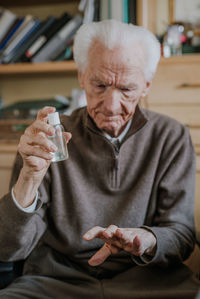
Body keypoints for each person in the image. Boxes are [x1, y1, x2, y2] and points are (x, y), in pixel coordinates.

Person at [0, 20, 199, 299]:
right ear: (82, 77)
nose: (111, 105)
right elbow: (8, 248)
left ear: (146, 85)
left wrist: (146, 239)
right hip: (55, 281)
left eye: (127, 89)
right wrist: (28, 179)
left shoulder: (171, 136)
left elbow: (182, 235)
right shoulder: (47, 137)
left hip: (149, 281)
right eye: (100, 84)